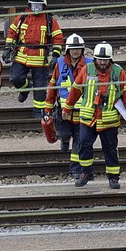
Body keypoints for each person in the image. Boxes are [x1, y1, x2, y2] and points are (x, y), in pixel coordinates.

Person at [62, 42, 126, 189]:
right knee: (83, 144)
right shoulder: (86, 70)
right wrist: (67, 109)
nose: (102, 63)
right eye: (100, 59)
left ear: (110, 59)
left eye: (105, 60)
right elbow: (75, 91)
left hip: (108, 119)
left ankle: (113, 178)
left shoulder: (118, 72)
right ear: (95, 58)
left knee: (110, 149)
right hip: (88, 117)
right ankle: (85, 173)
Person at [2, 0, 64, 118]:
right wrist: (8, 48)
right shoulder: (22, 18)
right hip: (22, 56)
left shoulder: (49, 20)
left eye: (39, 5)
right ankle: (25, 88)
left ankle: (38, 110)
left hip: (39, 59)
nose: (36, 8)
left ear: (44, 6)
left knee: (40, 87)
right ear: (29, 5)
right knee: (15, 78)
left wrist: (56, 54)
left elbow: (57, 37)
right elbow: (12, 33)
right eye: (34, 5)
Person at [44, 33, 92, 179]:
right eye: (73, 49)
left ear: (82, 50)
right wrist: (47, 110)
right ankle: (64, 141)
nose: (75, 52)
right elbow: (52, 88)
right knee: (63, 135)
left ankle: (75, 170)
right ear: (68, 50)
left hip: (81, 112)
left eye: (78, 49)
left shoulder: (90, 64)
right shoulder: (60, 64)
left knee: (79, 141)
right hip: (63, 112)